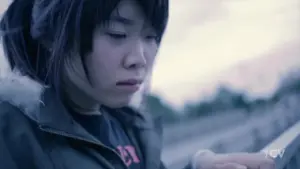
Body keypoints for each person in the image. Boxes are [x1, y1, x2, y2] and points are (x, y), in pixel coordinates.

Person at [0, 0, 275, 169]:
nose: (140, 59)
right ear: (53, 35)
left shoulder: (130, 126)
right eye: (117, 34)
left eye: (151, 37)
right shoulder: (13, 135)